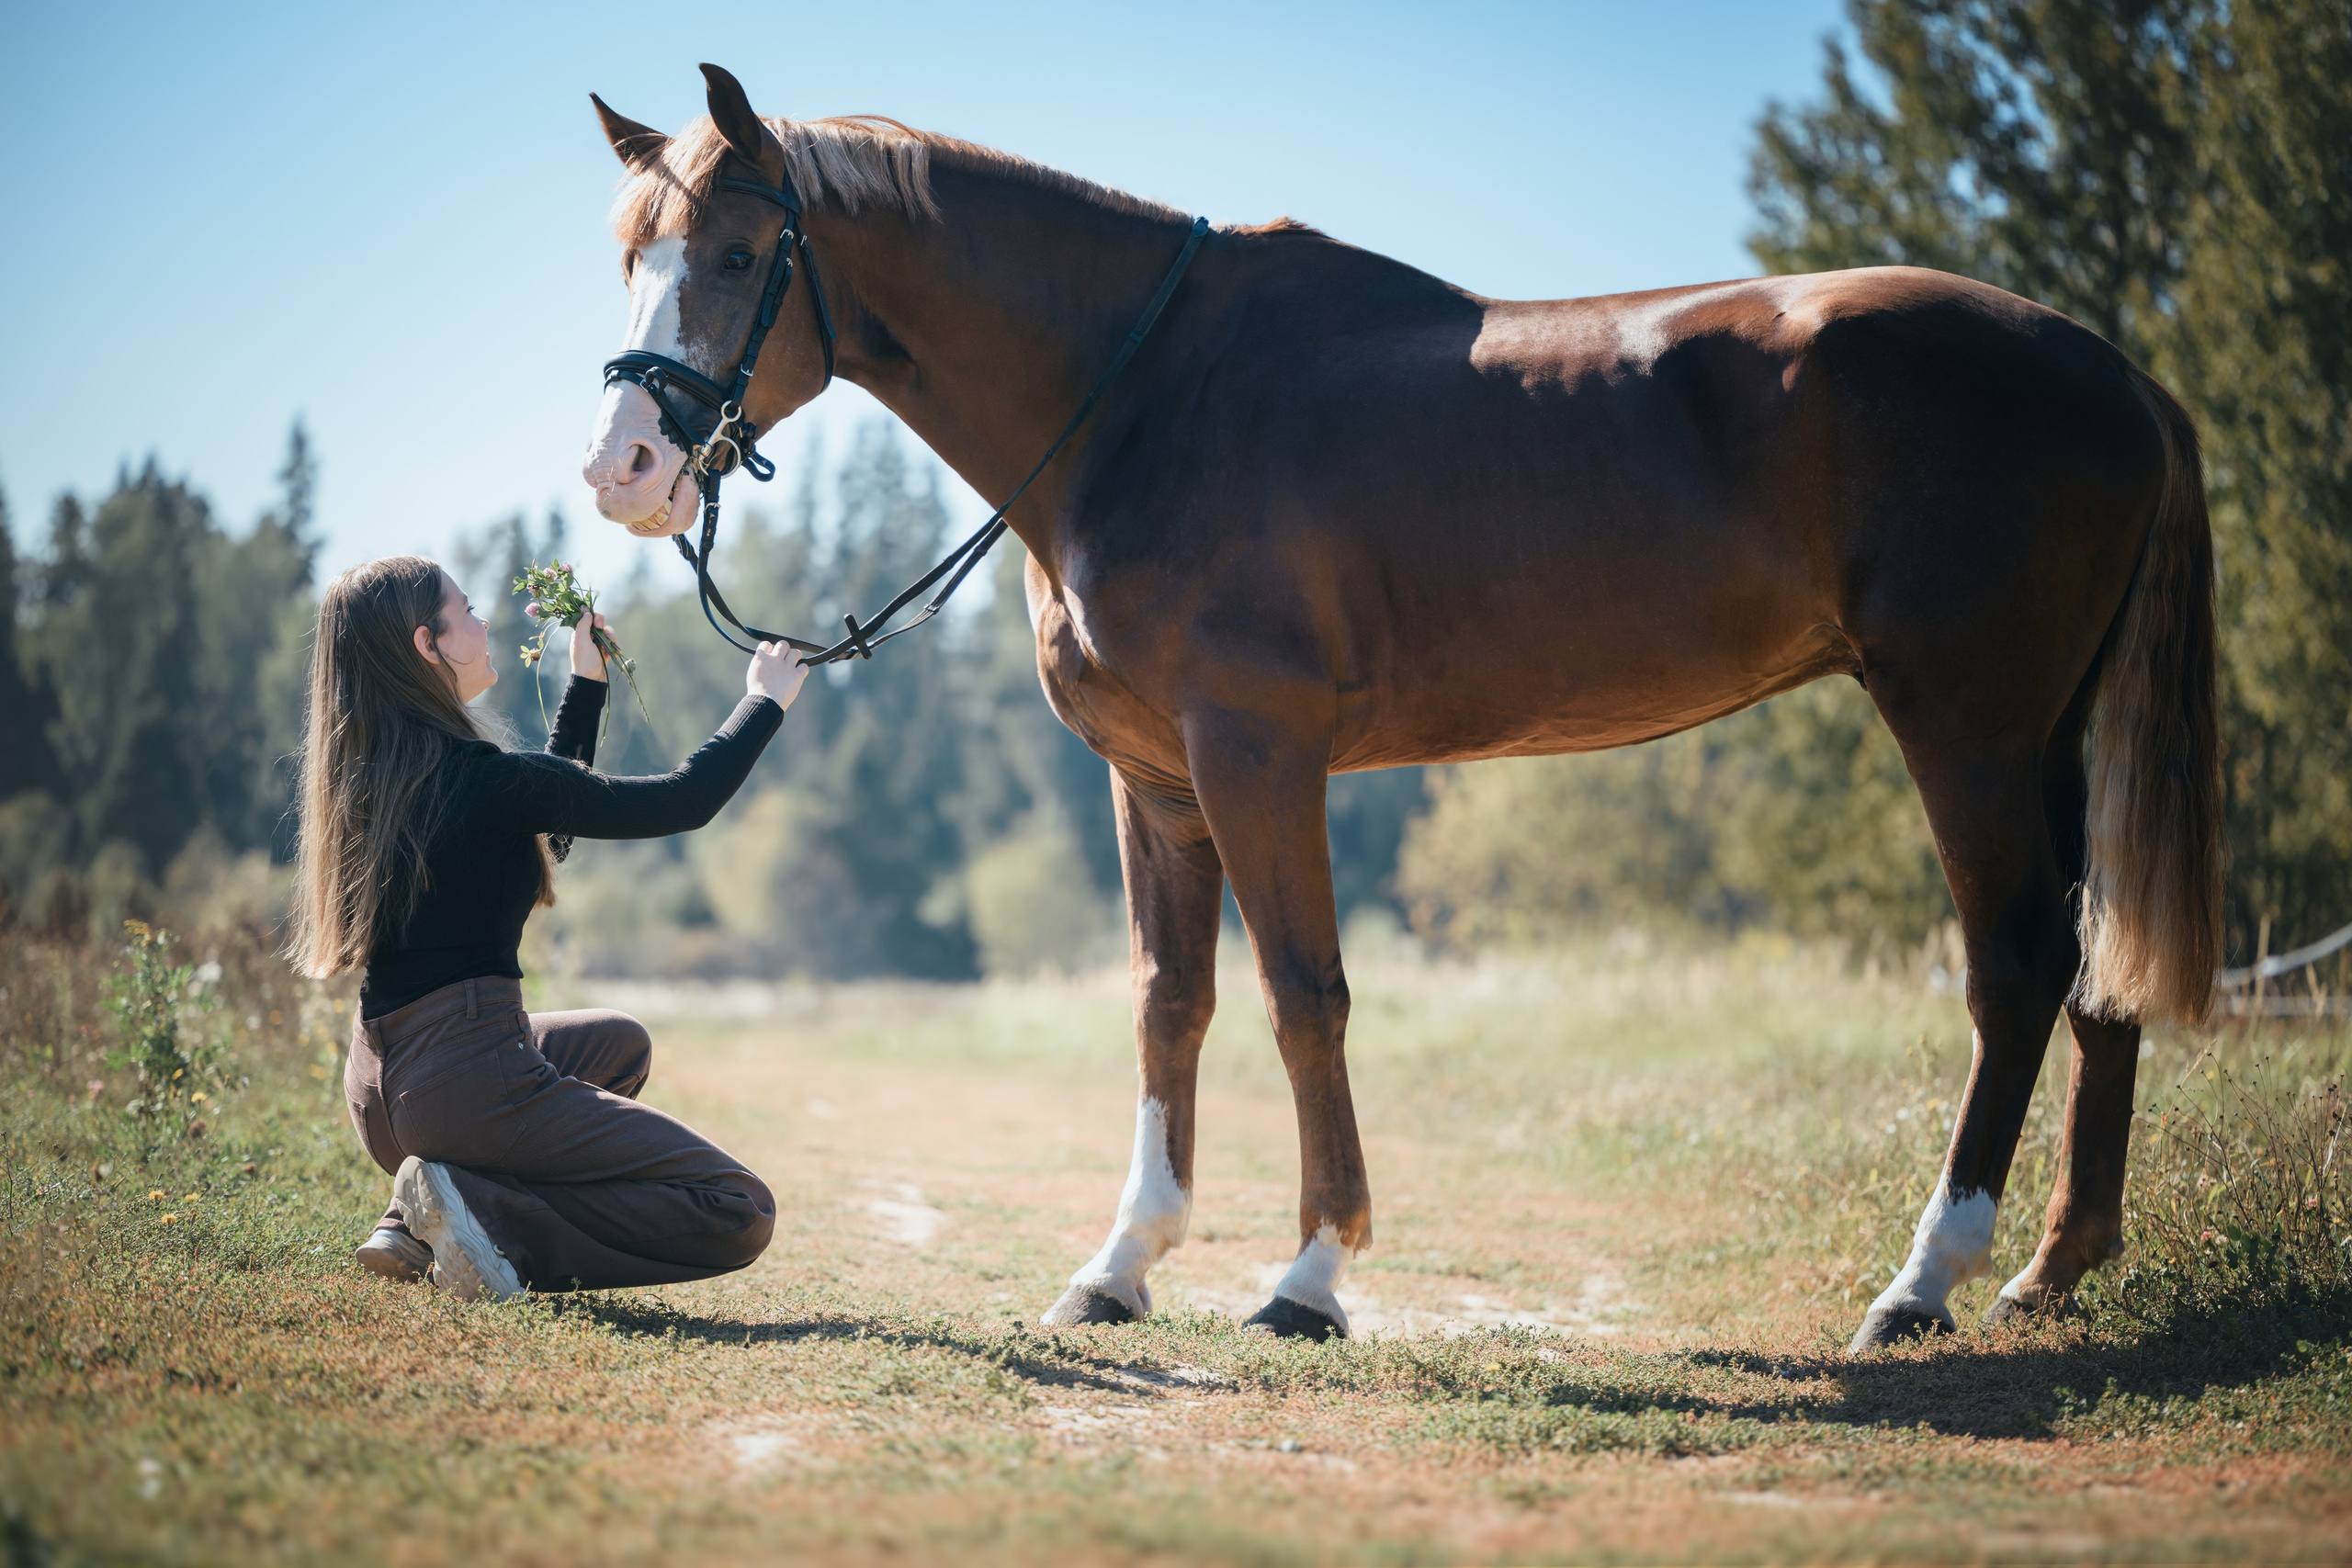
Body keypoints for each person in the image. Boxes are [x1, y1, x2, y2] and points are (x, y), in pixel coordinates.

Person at [286, 555, 807, 1299]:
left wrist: (587, 684)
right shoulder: (483, 778)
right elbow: (683, 800)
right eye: (464, 610)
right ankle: (496, 1225)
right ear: (427, 645)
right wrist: (764, 700)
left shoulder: (381, 777)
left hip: (379, 1087)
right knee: (738, 1206)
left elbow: (543, 827)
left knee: (619, 1044)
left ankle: (422, 1211)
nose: (484, 619)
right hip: (464, 1081)